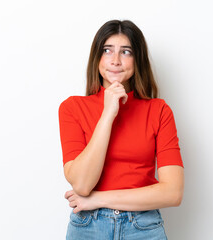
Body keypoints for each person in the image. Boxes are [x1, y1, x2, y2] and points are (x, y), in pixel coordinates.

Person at [58, 19, 184, 240]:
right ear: (97, 58)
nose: (115, 60)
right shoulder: (73, 108)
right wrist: (108, 113)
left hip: (144, 227)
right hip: (88, 227)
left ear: (138, 60)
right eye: (107, 50)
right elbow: (82, 184)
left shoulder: (159, 111)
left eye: (126, 52)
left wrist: (98, 199)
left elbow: (172, 193)